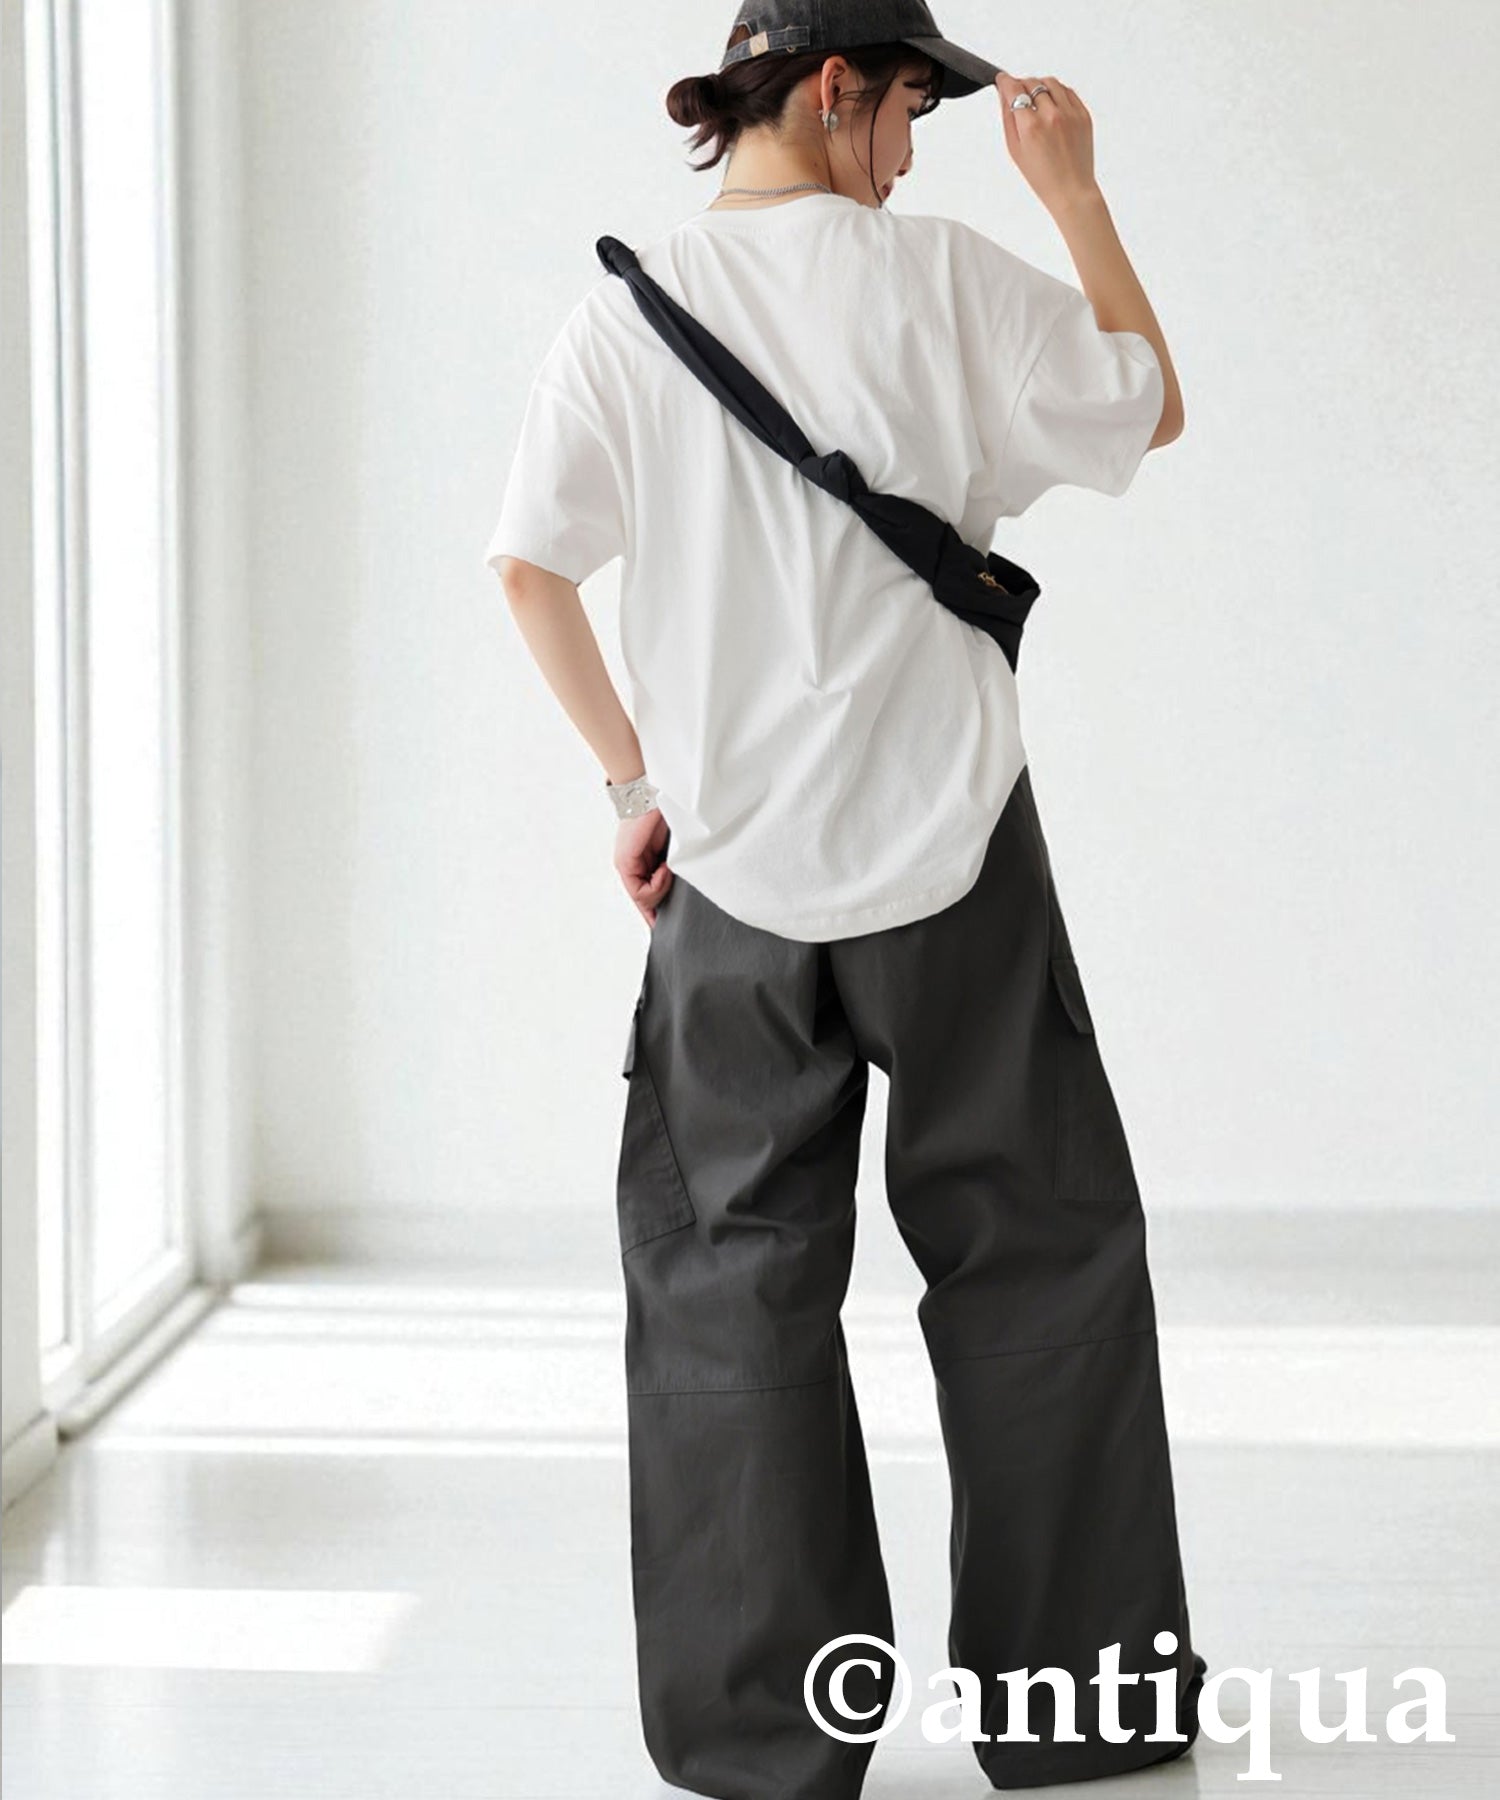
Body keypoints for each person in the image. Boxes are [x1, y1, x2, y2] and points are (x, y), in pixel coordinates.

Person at [484, 4, 1206, 1795]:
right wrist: (1075, 192)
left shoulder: (627, 309)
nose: (909, 151)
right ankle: (1081, 1711)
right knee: (1036, 1253)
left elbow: (530, 568)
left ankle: (765, 1738)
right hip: (955, 858)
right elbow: (1147, 405)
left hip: (730, 876)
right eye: (908, 112)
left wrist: (636, 785)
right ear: (832, 88)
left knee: (727, 1289)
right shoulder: (946, 278)